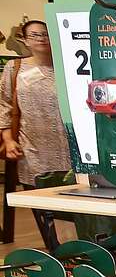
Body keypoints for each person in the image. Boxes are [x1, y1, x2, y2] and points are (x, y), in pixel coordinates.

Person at [0, 19, 72, 248]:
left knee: (72, 204)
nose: (41, 39)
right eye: (34, 35)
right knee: (42, 204)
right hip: (33, 147)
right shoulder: (15, 68)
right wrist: (8, 139)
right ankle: (54, 248)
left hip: (68, 147)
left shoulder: (68, 65)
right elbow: (5, 106)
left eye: (46, 34)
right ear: (24, 39)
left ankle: (74, 249)